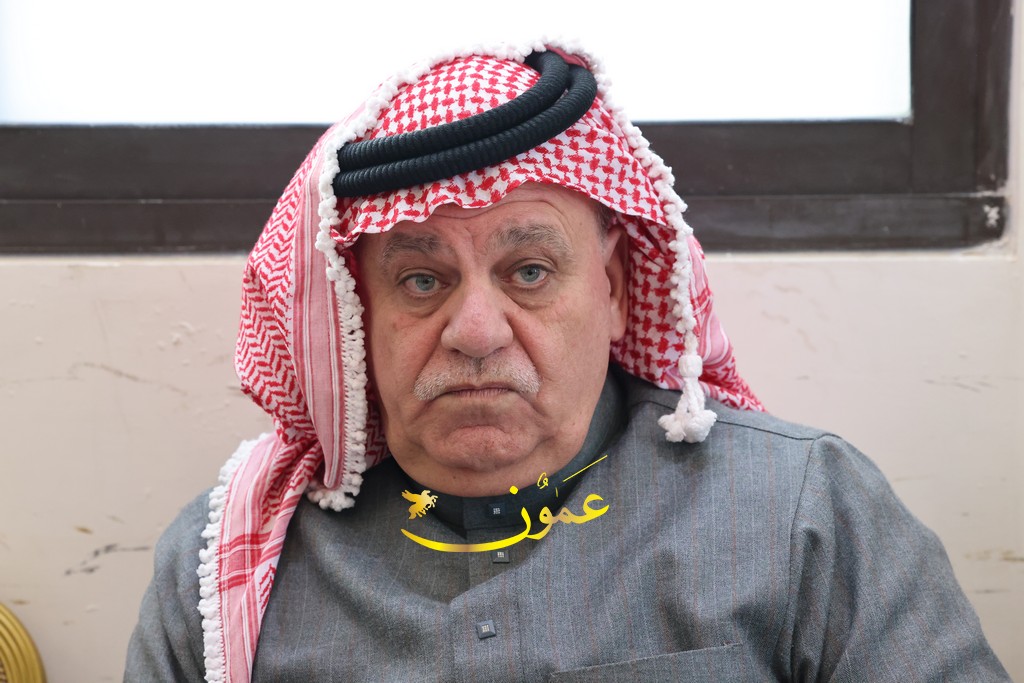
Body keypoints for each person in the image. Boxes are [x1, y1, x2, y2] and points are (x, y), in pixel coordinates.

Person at [125, 41, 1009, 682]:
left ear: (616, 288)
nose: (476, 331)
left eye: (530, 271)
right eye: (423, 279)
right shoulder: (223, 570)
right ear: (358, 315)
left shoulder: (806, 513)